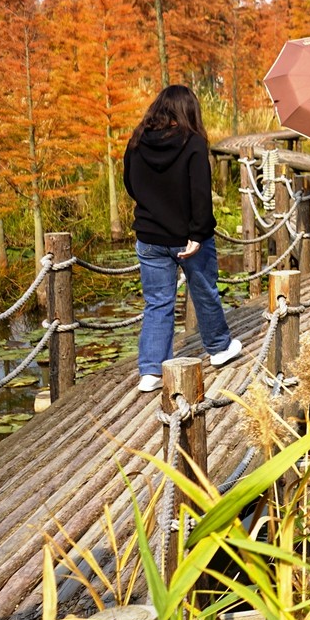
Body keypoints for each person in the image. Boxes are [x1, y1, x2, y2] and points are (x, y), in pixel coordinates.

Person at [123, 85, 241, 393]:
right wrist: (198, 233)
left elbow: (130, 184)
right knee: (203, 292)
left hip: (149, 236)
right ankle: (218, 349)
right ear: (189, 111)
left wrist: (152, 209)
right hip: (188, 237)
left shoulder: (137, 140)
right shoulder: (194, 142)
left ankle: (150, 370)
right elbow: (201, 192)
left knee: (157, 303)